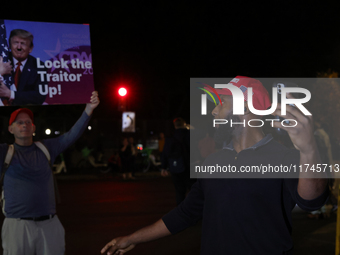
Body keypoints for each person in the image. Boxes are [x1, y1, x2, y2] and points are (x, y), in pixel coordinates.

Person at [101, 76, 328, 255]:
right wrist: (132, 238)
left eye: (221, 103)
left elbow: (312, 201)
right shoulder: (214, 162)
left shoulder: (284, 157)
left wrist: (308, 150)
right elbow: (185, 213)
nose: (213, 111)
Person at [0, 91, 99, 255]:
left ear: (33, 127)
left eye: (28, 122)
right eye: (19, 122)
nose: (24, 125)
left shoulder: (46, 148)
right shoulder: (5, 152)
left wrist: (89, 109)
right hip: (17, 226)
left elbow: (70, 136)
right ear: (10, 129)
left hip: (49, 224)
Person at [0, 29, 47, 105]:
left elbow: (39, 96)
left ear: (30, 48)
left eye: (23, 43)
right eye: (16, 43)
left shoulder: (39, 66)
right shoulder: (2, 61)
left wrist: (11, 94)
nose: (19, 47)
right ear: (9, 45)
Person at [161, 117, 194, 205]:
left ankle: (181, 212)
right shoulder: (190, 134)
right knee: (194, 190)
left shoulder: (170, 137)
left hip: (175, 166)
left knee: (179, 191)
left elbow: (165, 152)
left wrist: (164, 167)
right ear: (184, 124)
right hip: (190, 166)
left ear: (175, 126)